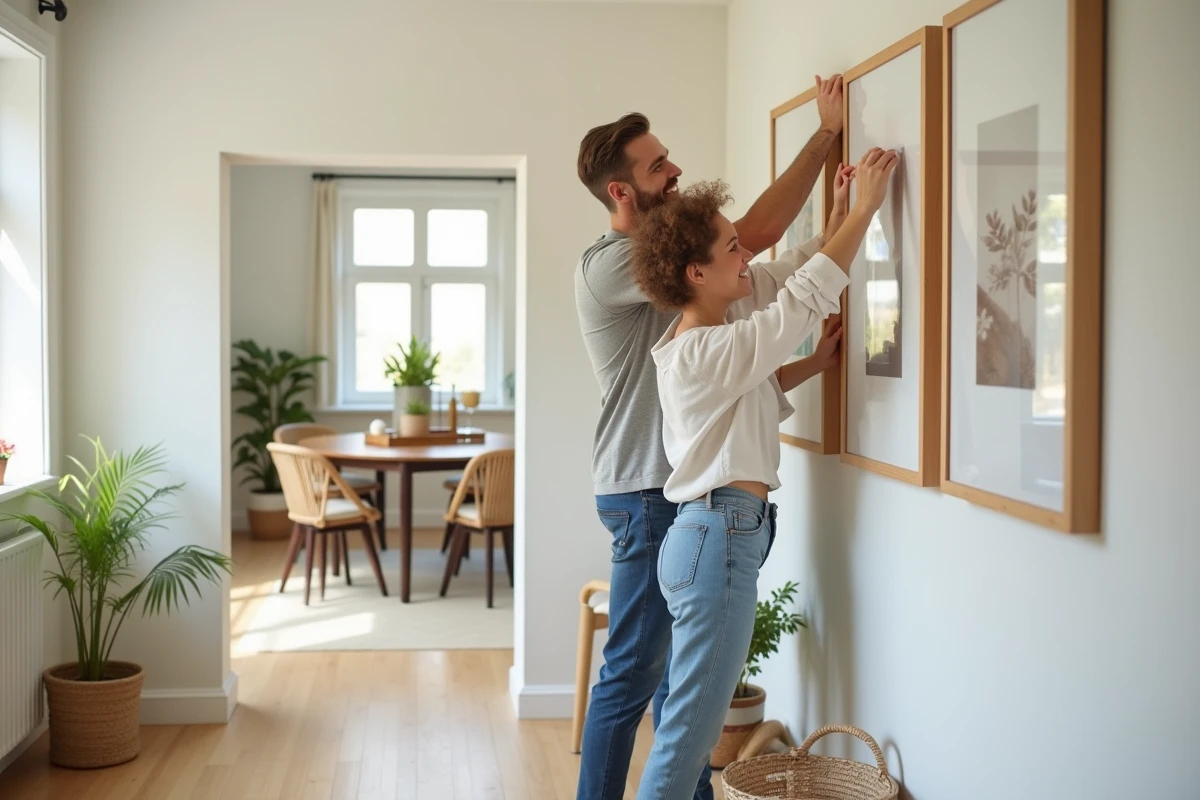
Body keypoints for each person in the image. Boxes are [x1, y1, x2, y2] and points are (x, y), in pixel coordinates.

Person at [573, 75, 845, 800]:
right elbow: (753, 236)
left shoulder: (691, 294)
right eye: (658, 166)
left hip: (675, 485)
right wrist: (824, 137)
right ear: (621, 191)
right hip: (646, 486)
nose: (675, 172)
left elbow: (738, 381)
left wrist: (809, 365)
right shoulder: (612, 265)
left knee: (679, 688)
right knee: (634, 676)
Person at [626, 147, 898, 800]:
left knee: (689, 730)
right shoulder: (703, 350)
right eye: (732, 248)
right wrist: (864, 211)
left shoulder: (708, 341)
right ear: (696, 272)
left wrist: (834, 225)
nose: (745, 254)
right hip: (717, 536)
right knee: (689, 735)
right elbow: (798, 305)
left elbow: (780, 298)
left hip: (712, 534)